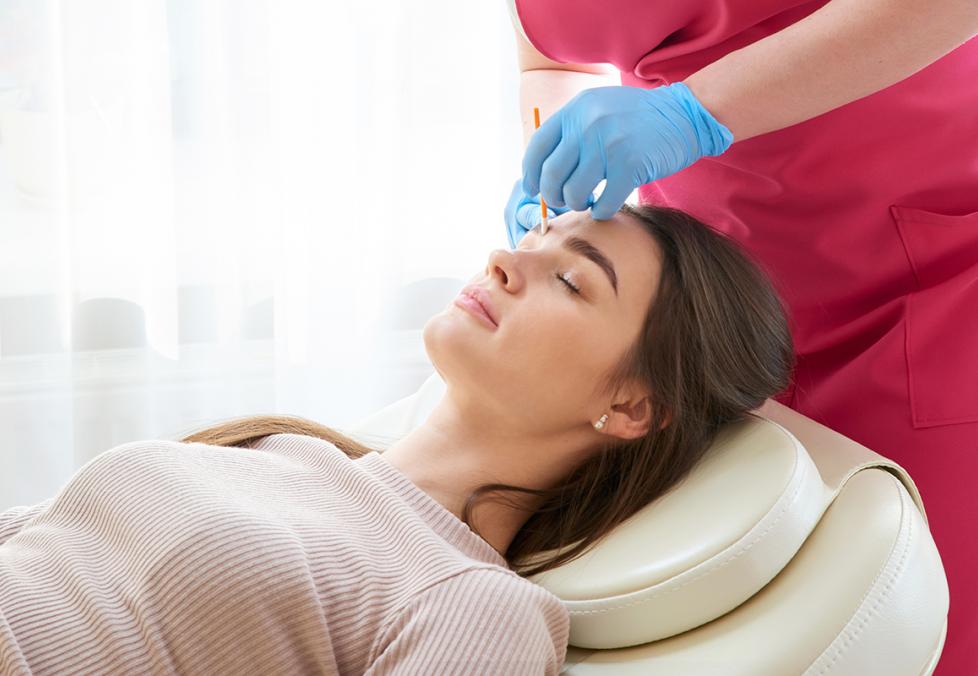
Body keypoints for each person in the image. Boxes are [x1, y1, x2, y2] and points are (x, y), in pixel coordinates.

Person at [0, 204, 793, 674]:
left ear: (630, 407)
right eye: (535, 237)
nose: (505, 260)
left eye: (572, 278)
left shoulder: (476, 607)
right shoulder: (286, 448)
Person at [502, 0, 978, 672]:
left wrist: (699, 110)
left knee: (922, 618)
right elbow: (552, 56)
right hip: (717, 307)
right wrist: (561, 160)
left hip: (922, 271)